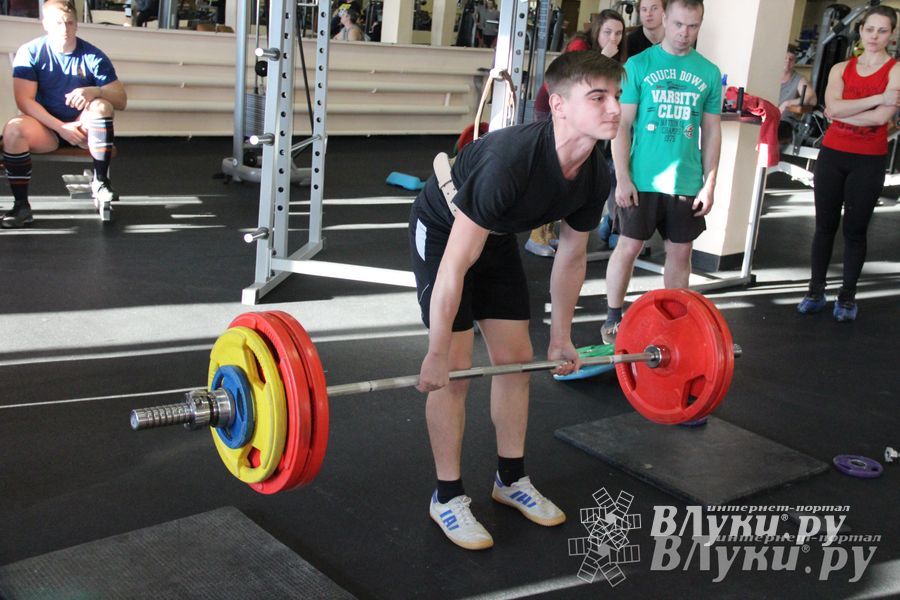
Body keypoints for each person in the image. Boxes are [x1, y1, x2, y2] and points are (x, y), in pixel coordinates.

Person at [408, 51, 623, 550]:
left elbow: (571, 257)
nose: (614, 107)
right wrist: (437, 351)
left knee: (516, 362)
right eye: (598, 97)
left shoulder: (596, 172)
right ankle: (447, 496)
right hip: (445, 233)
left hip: (497, 235)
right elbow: (457, 264)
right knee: (456, 371)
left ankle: (510, 481)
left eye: (616, 96)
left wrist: (562, 337)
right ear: (560, 106)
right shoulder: (511, 160)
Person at [603, 0, 721, 343]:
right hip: (642, 177)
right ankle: (612, 318)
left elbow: (712, 131)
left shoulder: (709, 72)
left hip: (685, 179)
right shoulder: (638, 65)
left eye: (693, 26)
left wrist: (709, 183)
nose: (685, 33)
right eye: (679, 24)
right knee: (628, 246)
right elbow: (622, 125)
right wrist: (622, 178)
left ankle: (675, 321)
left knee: (680, 252)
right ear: (666, 20)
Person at [796, 6, 899, 322]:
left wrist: (848, 111)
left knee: (855, 230)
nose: (875, 36)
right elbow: (833, 108)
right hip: (833, 154)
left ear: (891, 34)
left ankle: (847, 297)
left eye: (882, 31)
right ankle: (815, 291)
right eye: (870, 29)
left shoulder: (896, 70)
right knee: (824, 227)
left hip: (868, 159)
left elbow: (884, 117)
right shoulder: (841, 68)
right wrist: (875, 99)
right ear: (861, 30)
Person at [1, 0, 127, 229]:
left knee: (102, 106)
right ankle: (21, 206)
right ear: (45, 24)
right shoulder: (30, 52)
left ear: (77, 24)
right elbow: (24, 101)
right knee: (13, 129)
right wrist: (60, 128)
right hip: (45, 129)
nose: (65, 29)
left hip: (81, 129)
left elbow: (121, 100)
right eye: (58, 23)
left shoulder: (93, 55)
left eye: (70, 23)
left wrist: (94, 91)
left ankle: (100, 182)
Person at [527, 9, 626, 257]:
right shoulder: (581, 45)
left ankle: (549, 231)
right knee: (551, 168)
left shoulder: (614, 56)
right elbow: (574, 79)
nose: (613, 38)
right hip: (554, 106)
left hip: (579, 114)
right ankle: (536, 234)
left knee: (571, 172)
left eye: (618, 33)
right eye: (607, 32)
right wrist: (605, 56)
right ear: (597, 31)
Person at [778, 44, 818, 142]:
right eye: (785, 58)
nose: (787, 62)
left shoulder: (798, 79)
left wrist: (787, 103)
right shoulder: (769, 75)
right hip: (764, 119)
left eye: (791, 59)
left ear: (795, 61)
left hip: (784, 122)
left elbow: (812, 99)